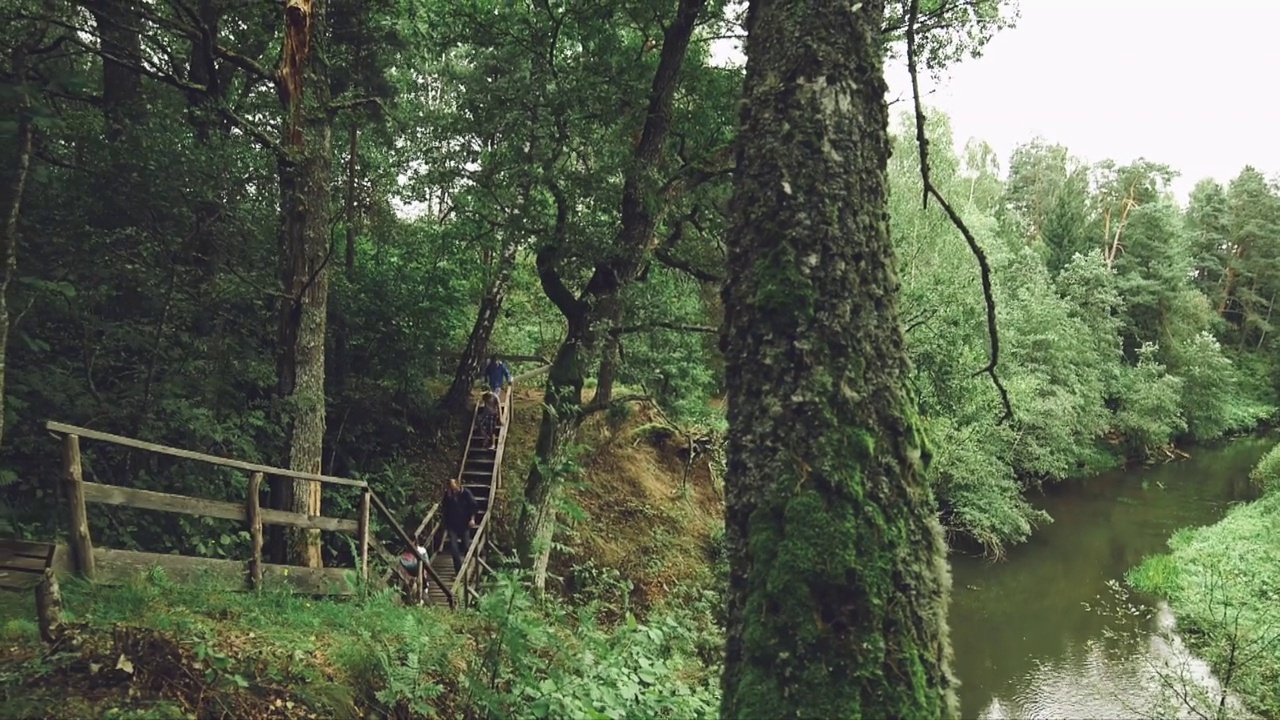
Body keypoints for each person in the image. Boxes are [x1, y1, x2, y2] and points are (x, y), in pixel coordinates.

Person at [441, 478, 478, 573]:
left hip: (464, 524)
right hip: (452, 525)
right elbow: (444, 508)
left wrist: (472, 519)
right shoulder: (448, 494)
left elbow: (473, 506)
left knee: (466, 546)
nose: (453, 489)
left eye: (454, 487)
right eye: (451, 487)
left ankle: (468, 566)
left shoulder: (466, 493)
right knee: (454, 548)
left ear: (458, 485)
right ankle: (458, 570)